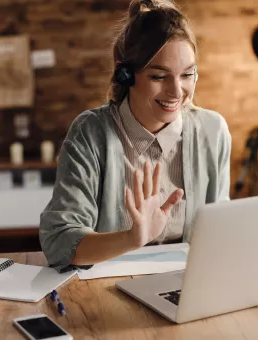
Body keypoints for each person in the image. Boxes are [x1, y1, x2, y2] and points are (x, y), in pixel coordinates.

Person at [39, 0, 231, 272]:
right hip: (106, 288)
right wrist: (131, 239)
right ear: (125, 74)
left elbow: (219, 232)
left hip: (187, 285)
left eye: (188, 74)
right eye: (158, 76)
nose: (177, 92)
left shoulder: (213, 131)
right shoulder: (91, 133)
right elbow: (59, 242)